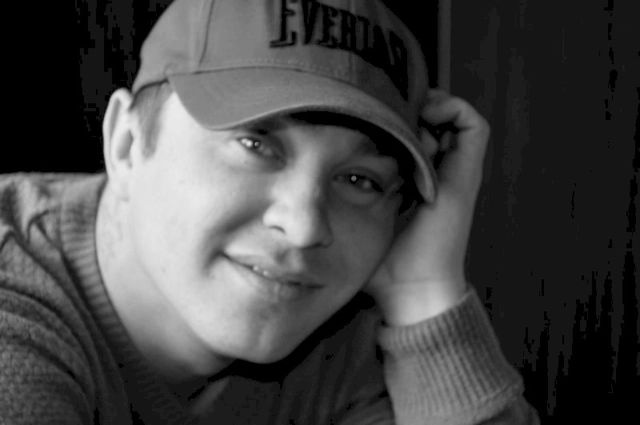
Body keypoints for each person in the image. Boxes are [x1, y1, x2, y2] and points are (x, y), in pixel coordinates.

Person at [0, 0, 539, 423]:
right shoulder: (14, 311)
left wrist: (424, 292)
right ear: (127, 143)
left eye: (359, 180)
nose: (304, 228)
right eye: (256, 145)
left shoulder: (339, 338)